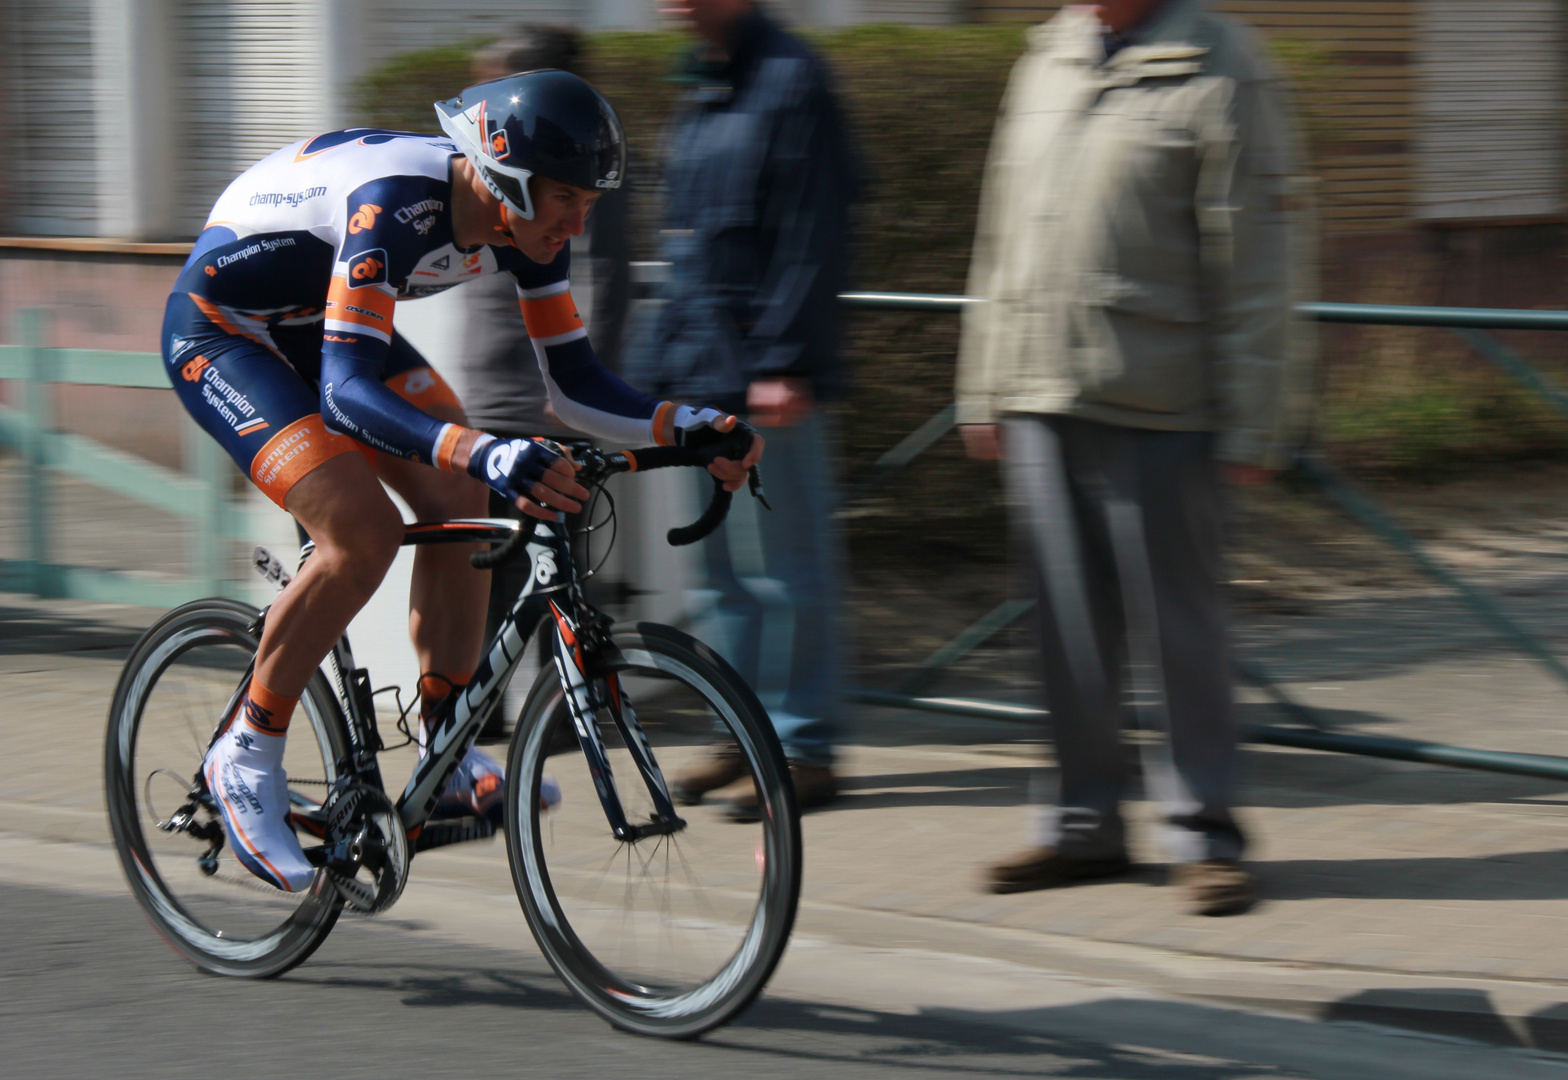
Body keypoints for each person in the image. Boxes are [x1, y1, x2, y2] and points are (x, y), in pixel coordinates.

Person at [165, 70, 761, 892]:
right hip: (225, 333)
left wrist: (686, 425)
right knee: (363, 531)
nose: (578, 219)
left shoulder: (525, 227)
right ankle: (248, 749)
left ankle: (445, 742)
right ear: (509, 174)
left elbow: (574, 386)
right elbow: (346, 392)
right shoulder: (393, 205)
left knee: (459, 496)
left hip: (315, 330)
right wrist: (485, 449)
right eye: (566, 197)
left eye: (590, 200)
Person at [956, 0, 1310, 915]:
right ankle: (1083, 827)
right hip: (1039, 390)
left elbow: (1263, 257)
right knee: (1065, 636)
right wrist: (981, 384)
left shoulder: (1225, 62)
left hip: (1163, 403)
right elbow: (1000, 237)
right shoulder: (1050, 55)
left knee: (1179, 633)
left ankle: (1204, 833)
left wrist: (1258, 422)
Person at [634, 0, 859, 819]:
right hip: (701, 367)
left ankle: (806, 746)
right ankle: (744, 729)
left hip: (763, 371)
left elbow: (812, 230)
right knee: (721, 571)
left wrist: (786, 362)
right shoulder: (705, 77)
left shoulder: (792, 79)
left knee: (786, 568)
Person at [452, 26, 634, 738]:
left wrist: (587, 400)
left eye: (494, 78)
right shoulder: (494, 169)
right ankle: (480, 715)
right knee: (488, 568)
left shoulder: (577, 171)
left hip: (545, 405)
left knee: (555, 571)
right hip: (490, 400)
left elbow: (609, 282)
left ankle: (565, 714)